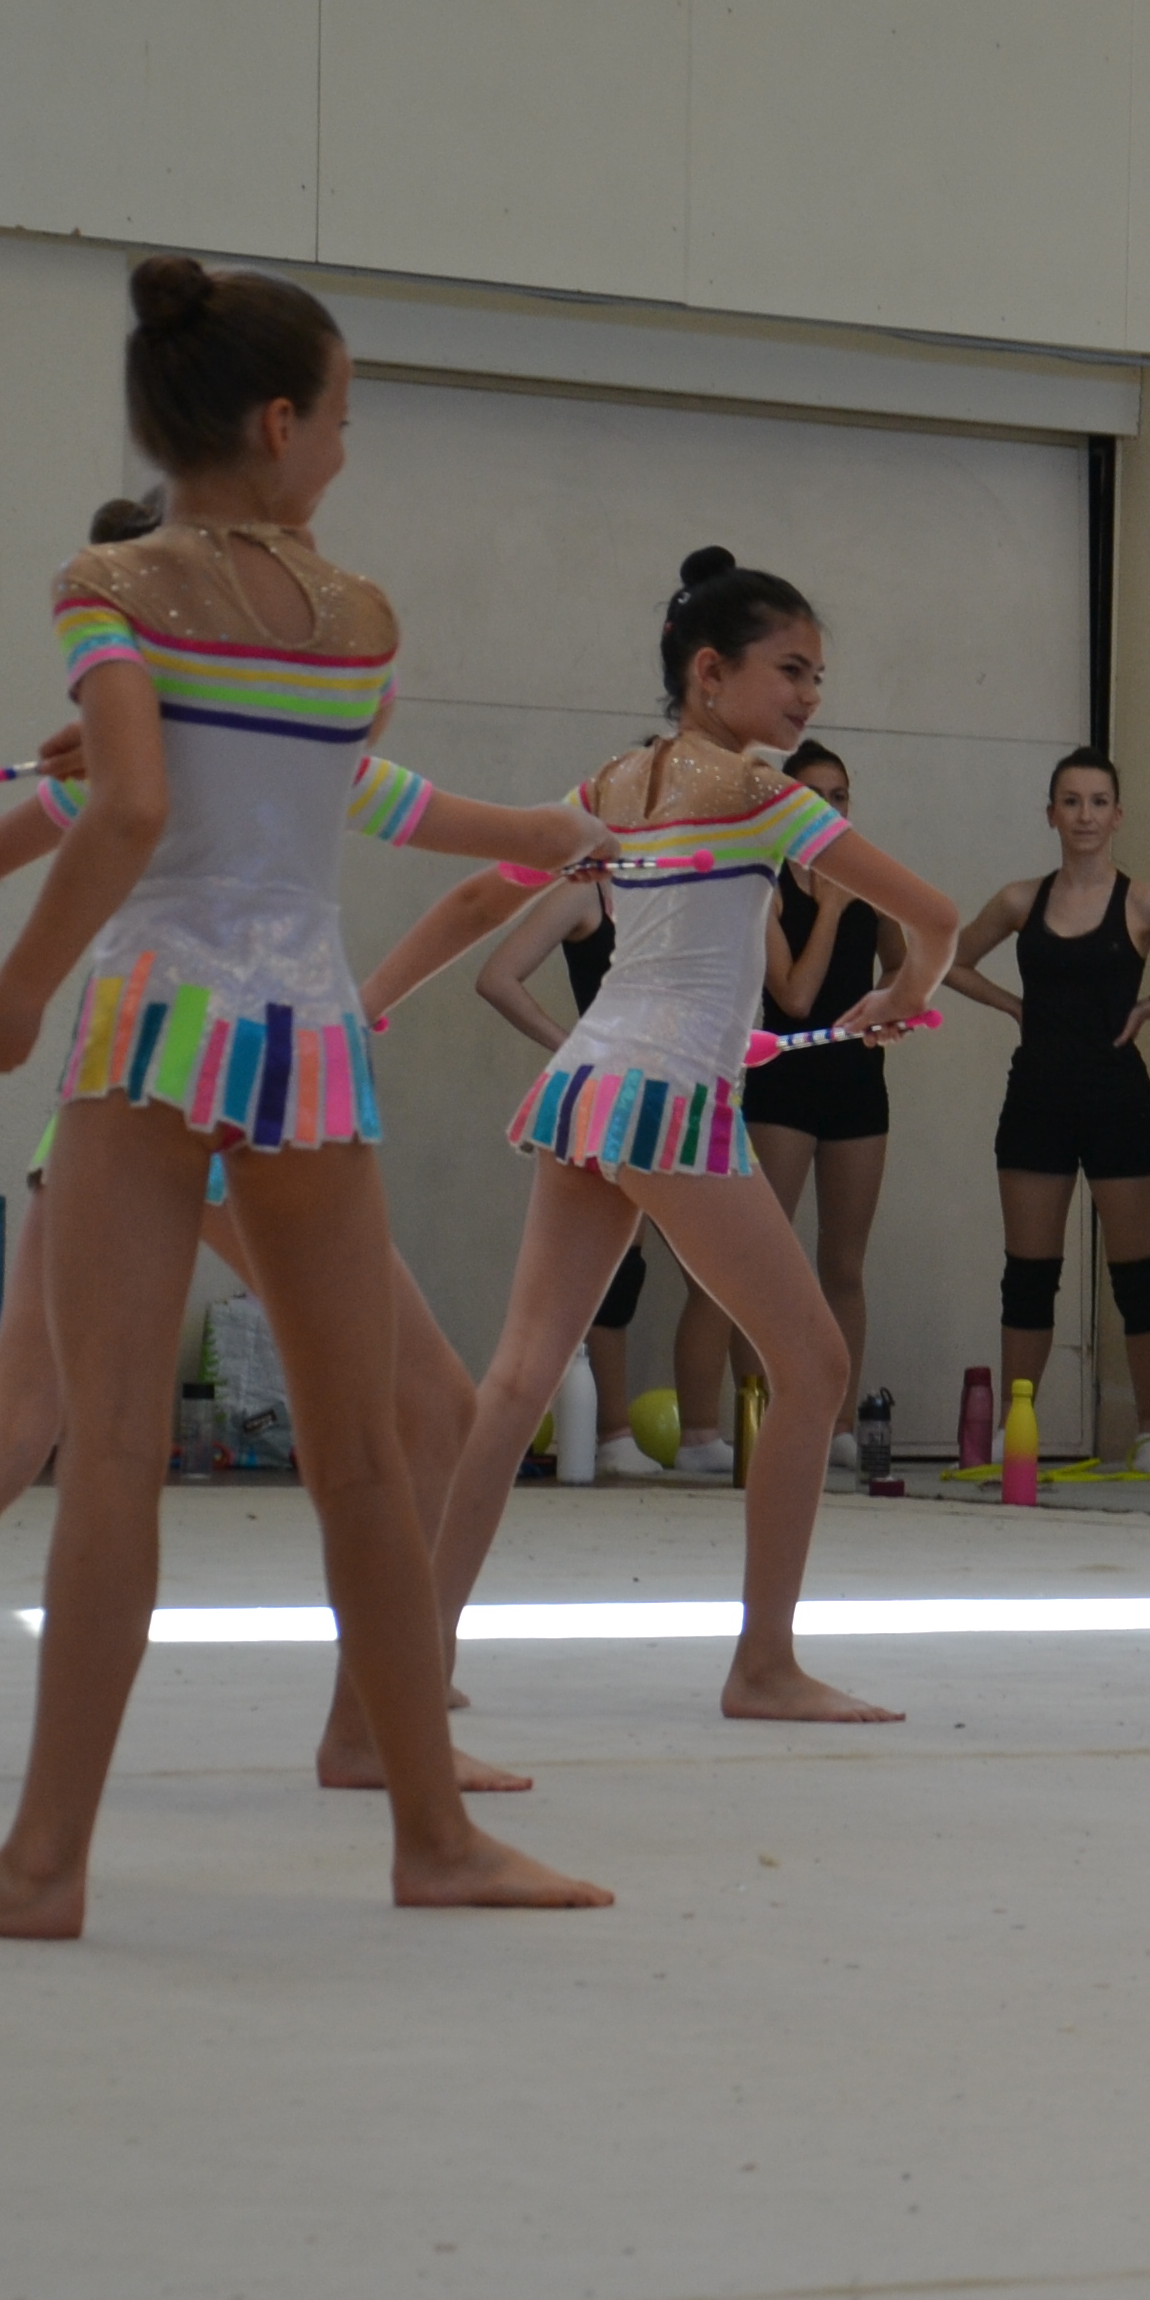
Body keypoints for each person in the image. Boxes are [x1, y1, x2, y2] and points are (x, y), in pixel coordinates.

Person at [0, 257, 610, 1937]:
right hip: (307, 1041)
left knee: (114, 1456)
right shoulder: (361, 619)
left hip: (152, 1032)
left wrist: (13, 990)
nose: (347, 448)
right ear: (280, 424)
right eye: (343, 417)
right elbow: (292, 794)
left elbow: (133, 813)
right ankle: (432, 1837)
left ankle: (43, 1865)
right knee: (361, 1458)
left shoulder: (107, 585)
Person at [0, 507, 527, 1807]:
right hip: (249, 1101)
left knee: (12, 1426)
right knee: (430, 1411)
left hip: (111, 1099)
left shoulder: (132, 763)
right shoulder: (293, 759)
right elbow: (481, 825)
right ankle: (366, 1733)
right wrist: (601, 832)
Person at [432, 546, 960, 1725]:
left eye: (818, 675)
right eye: (791, 669)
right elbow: (935, 916)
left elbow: (483, 904)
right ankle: (763, 1666)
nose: (810, 694)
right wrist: (904, 992)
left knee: (518, 1376)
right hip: (666, 1098)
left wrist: (371, 1000)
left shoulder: (615, 782)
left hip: (591, 1084)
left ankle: (415, 1650)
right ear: (710, 673)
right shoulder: (768, 797)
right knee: (814, 1366)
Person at [946, 744, 1150, 1476]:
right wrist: (1013, 1006)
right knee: (1028, 1275)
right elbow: (947, 961)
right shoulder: (1019, 901)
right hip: (1037, 1101)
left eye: (1098, 802)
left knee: (1139, 1276)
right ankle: (1015, 1430)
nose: (1084, 815)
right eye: (1071, 801)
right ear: (1051, 814)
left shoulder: (1146, 902)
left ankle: (1149, 1432)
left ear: (1117, 815)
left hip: (1119, 1103)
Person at [683, 736, 905, 1475]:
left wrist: (890, 1004)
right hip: (783, 1086)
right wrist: (833, 908)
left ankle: (838, 1421)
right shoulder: (767, 883)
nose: (829, 808)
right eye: (814, 795)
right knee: (765, 1262)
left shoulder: (868, 878)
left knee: (843, 1263)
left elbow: (902, 964)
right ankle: (762, 1414)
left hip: (856, 1085)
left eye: (840, 796)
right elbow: (795, 995)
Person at [472, 868, 683, 1475]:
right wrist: (576, 1048)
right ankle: (612, 1432)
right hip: (615, 1098)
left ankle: (699, 1434)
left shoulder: (682, 889)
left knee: (716, 1268)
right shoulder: (584, 892)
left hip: (681, 1091)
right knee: (614, 1268)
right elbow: (497, 977)